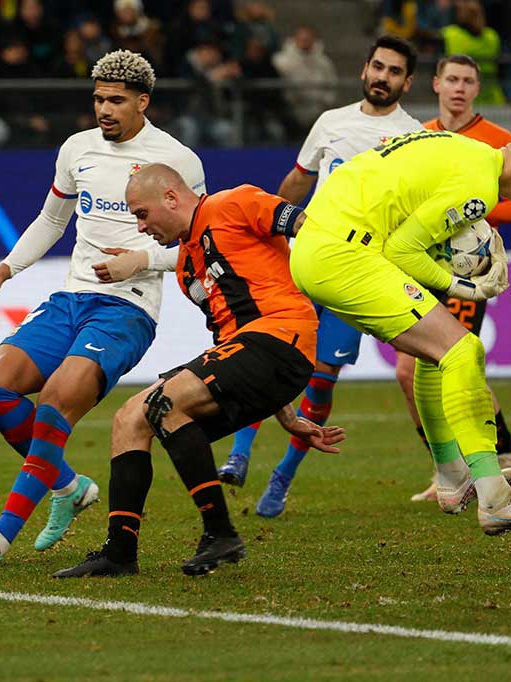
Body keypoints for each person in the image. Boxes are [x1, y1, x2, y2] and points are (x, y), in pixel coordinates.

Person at [0, 50, 206, 564]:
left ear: (143, 102)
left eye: (116, 100)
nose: (104, 109)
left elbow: (202, 238)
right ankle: (67, 487)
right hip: (70, 299)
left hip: (127, 309)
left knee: (53, 404)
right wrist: (4, 272)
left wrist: (141, 260)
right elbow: (51, 220)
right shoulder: (77, 150)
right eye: (98, 99)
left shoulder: (177, 159)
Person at [52, 164, 344, 578]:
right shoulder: (187, 265)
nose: (141, 227)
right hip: (257, 354)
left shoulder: (235, 202)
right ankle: (119, 552)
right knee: (129, 418)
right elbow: (232, 353)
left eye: (142, 213)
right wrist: (289, 415)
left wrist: (347, 280)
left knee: (163, 402)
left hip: (284, 334)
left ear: (171, 197)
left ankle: (220, 533)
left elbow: (307, 226)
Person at [289, 120, 511, 535]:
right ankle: (496, 496)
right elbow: (403, 249)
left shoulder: (464, 152)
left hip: (320, 250)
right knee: (465, 350)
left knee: (434, 355)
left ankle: (451, 475)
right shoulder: (478, 186)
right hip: (345, 252)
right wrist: (467, 286)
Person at [216, 35, 421, 518]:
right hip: (307, 258)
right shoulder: (331, 122)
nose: (382, 77)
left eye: (393, 71)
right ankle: (239, 454)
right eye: (377, 67)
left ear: (407, 82)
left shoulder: (413, 136)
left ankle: (283, 476)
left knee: (321, 381)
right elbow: (299, 180)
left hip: (359, 271)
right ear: (363, 70)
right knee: (267, 352)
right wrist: (268, 223)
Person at [402, 54, 511, 503]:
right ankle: (467, 464)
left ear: (477, 89)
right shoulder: (420, 136)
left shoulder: (497, 141)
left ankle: (481, 462)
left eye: (467, 81)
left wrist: (461, 207)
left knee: (440, 362)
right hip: (422, 263)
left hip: (466, 269)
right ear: (435, 84)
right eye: (451, 79)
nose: (458, 87)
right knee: (415, 371)